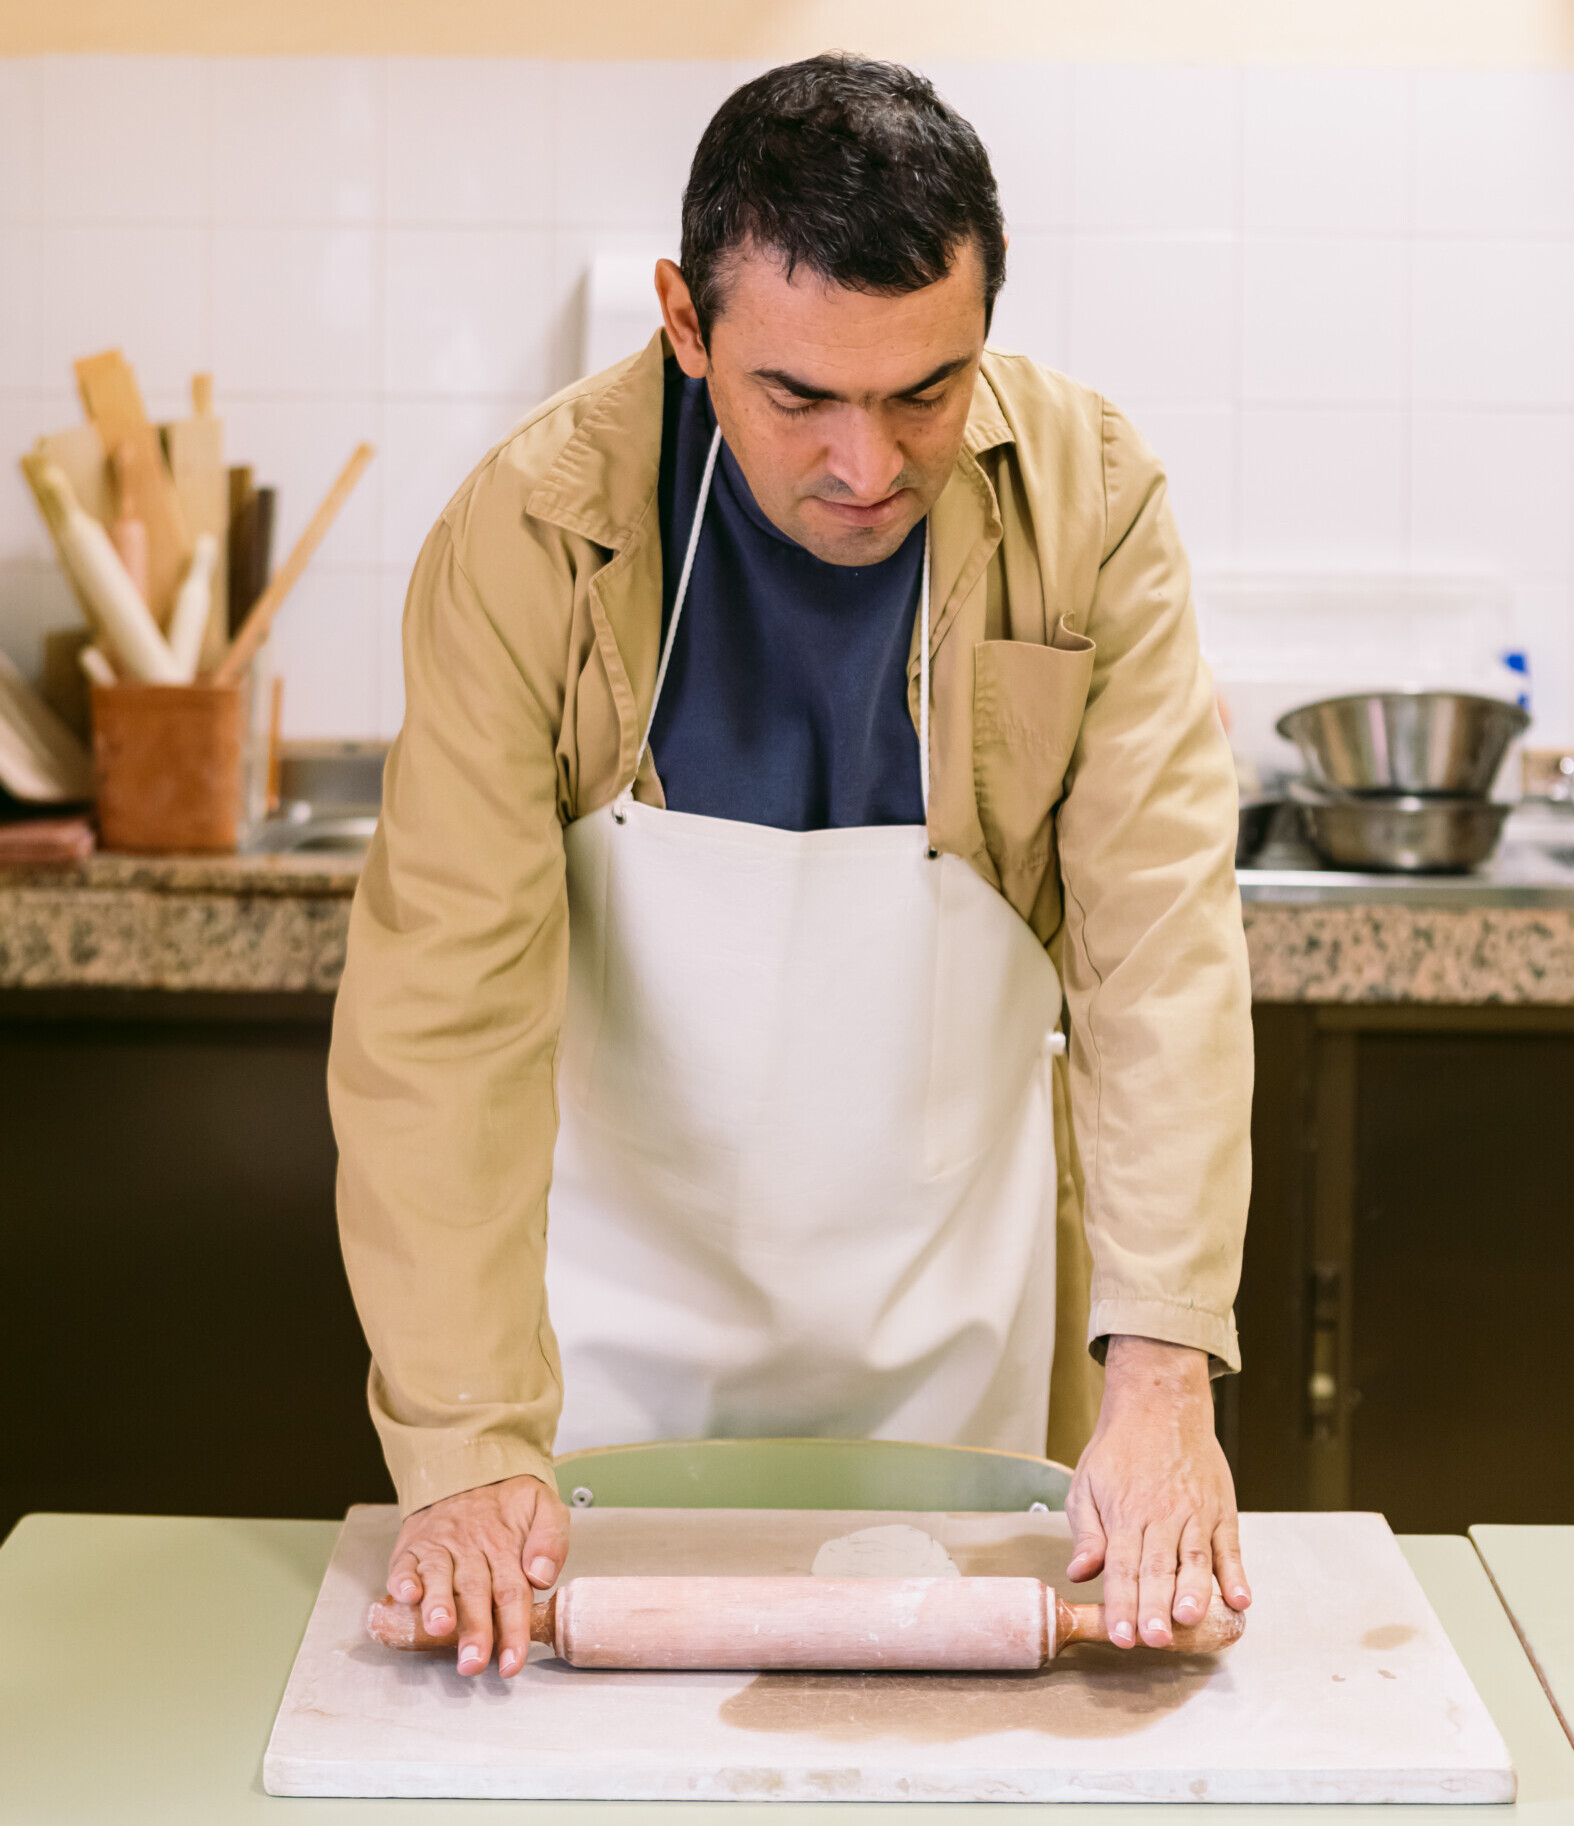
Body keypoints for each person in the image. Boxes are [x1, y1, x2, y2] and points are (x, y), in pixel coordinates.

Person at [330, 53, 1253, 1686]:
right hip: (606, 1359)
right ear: (685, 323)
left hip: (961, 1336)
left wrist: (1164, 1372)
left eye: (924, 392)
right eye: (798, 397)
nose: (866, 464)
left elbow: (1157, 953)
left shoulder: (1089, 505)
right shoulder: (529, 535)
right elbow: (442, 1011)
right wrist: (467, 1441)